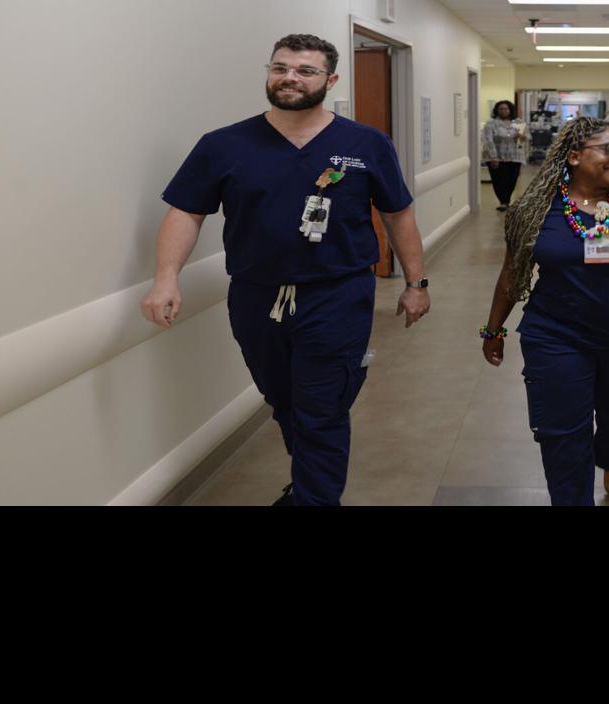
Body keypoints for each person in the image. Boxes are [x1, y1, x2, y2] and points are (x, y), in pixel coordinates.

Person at [140, 33, 430, 506]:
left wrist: (417, 282)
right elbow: (186, 212)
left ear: (330, 79)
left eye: (305, 70)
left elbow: (398, 214)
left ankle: (315, 498)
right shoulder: (225, 145)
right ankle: (310, 484)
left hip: (337, 293)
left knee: (323, 405)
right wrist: (166, 276)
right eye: (280, 68)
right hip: (256, 295)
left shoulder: (365, 143)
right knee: (286, 401)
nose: (290, 78)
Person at [480, 118, 609, 505]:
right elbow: (511, 275)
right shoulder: (535, 210)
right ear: (573, 156)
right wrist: (493, 330)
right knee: (560, 432)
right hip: (554, 334)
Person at [482, 100, 528, 211]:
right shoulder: (491, 123)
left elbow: (525, 139)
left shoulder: (518, 122)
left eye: (506, 109)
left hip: (515, 156)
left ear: (510, 110)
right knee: (499, 180)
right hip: (497, 156)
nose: (503, 111)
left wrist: (521, 137)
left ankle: (506, 200)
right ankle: (504, 202)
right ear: (497, 111)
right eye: (501, 109)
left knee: (512, 179)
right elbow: (488, 140)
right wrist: (493, 156)